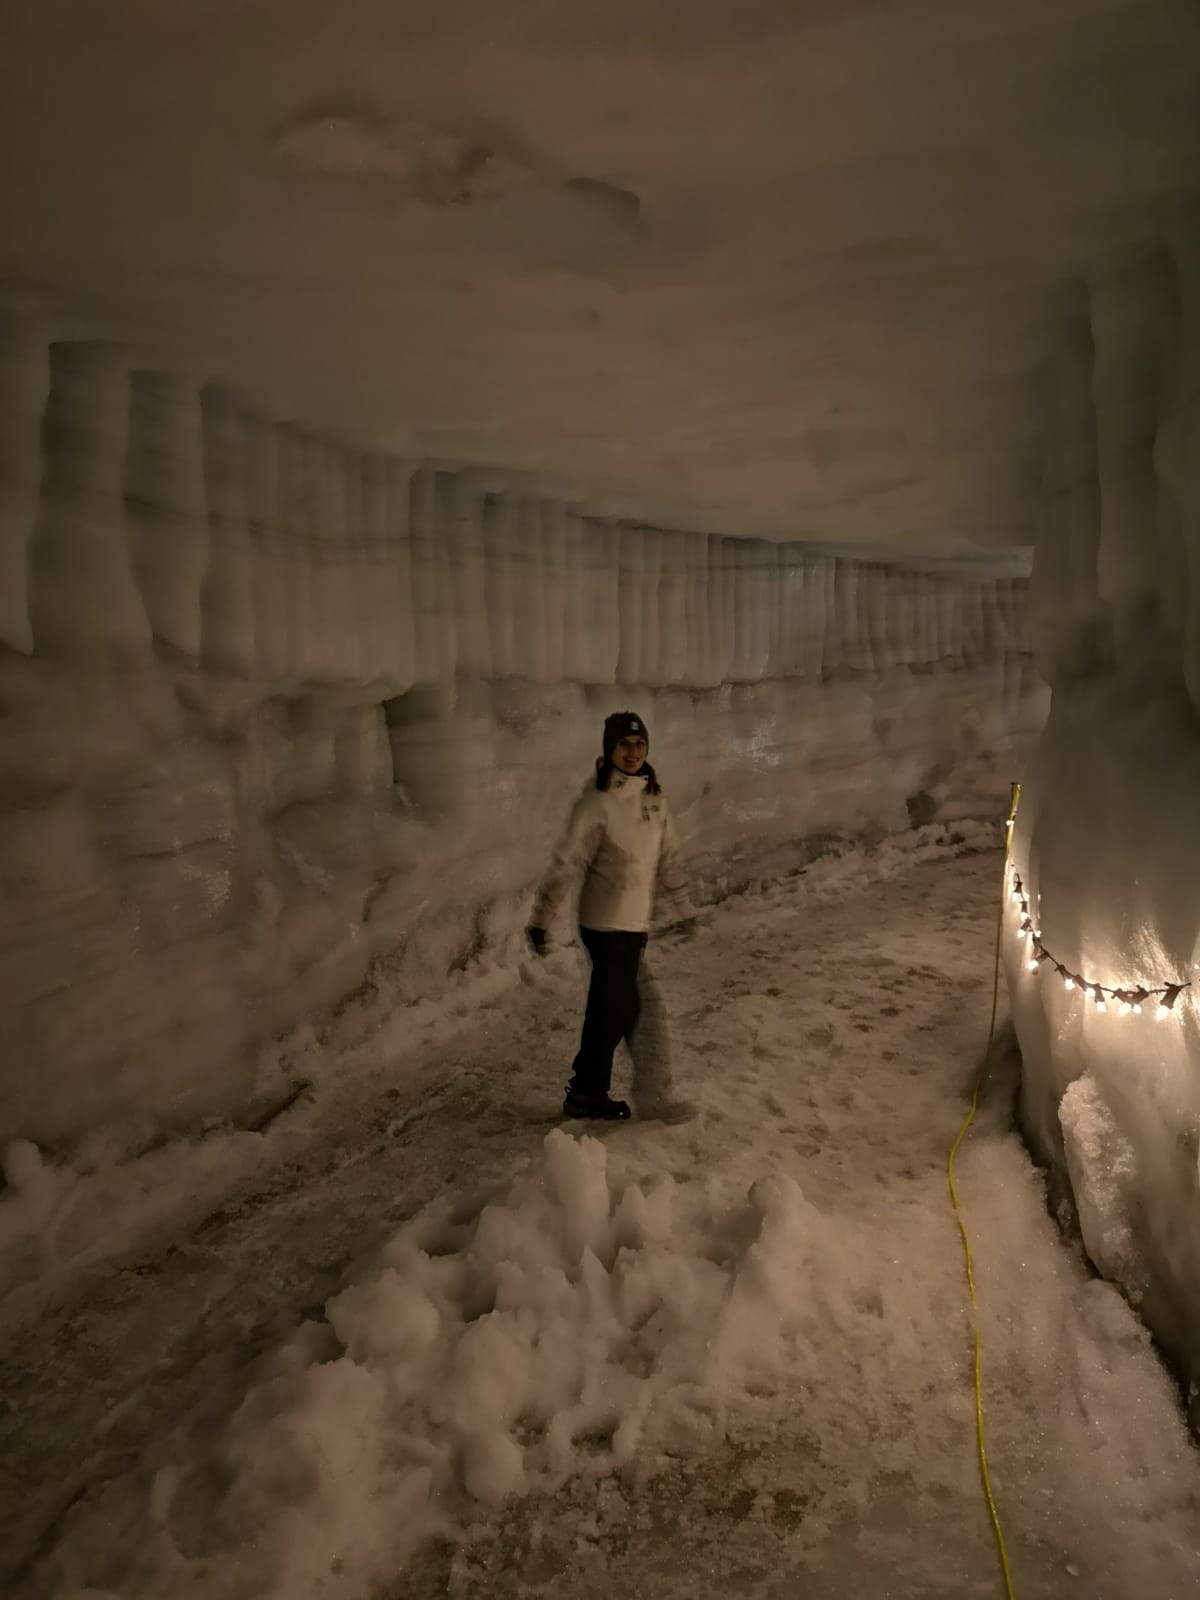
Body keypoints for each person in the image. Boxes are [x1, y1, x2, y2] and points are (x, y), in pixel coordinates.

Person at [527, 710, 696, 1122]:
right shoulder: (597, 803)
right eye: (624, 744)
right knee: (632, 1009)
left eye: (639, 744)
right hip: (604, 925)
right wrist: (542, 917)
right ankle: (634, 1095)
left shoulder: (654, 801)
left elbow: (669, 860)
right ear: (610, 748)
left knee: (613, 1008)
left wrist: (683, 907)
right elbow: (567, 862)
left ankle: (590, 1092)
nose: (633, 752)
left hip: (634, 926)